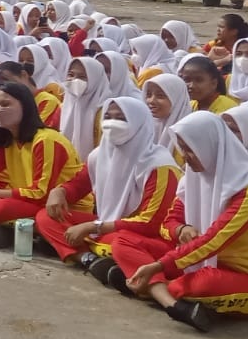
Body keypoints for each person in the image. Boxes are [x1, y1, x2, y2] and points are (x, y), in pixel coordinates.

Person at [112, 112, 248, 330]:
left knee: (203, 283)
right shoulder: (193, 179)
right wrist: (181, 229)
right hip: (193, 262)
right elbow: (168, 222)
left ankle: (152, 287)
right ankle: (164, 296)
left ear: (210, 146)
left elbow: (213, 241)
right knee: (123, 241)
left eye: (191, 149)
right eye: (182, 148)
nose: (184, 156)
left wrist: (158, 265)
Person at [37, 96, 180, 278]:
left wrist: (92, 227)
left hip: (137, 235)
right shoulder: (99, 155)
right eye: (108, 117)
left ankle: (107, 257)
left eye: (121, 118)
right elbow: (78, 186)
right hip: (106, 226)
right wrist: (59, 192)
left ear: (139, 123)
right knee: (46, 217)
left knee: (120, 243)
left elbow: (151, 223)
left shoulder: (159, 165)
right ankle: (87, 257)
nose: (112, 123)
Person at [0, 81, 89, 250]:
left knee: (3, 207)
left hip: (58, 206)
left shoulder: (46, 140)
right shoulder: (9, 139)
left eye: (6, 104)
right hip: (26, 199)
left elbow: (41, 192)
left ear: (25, 106)